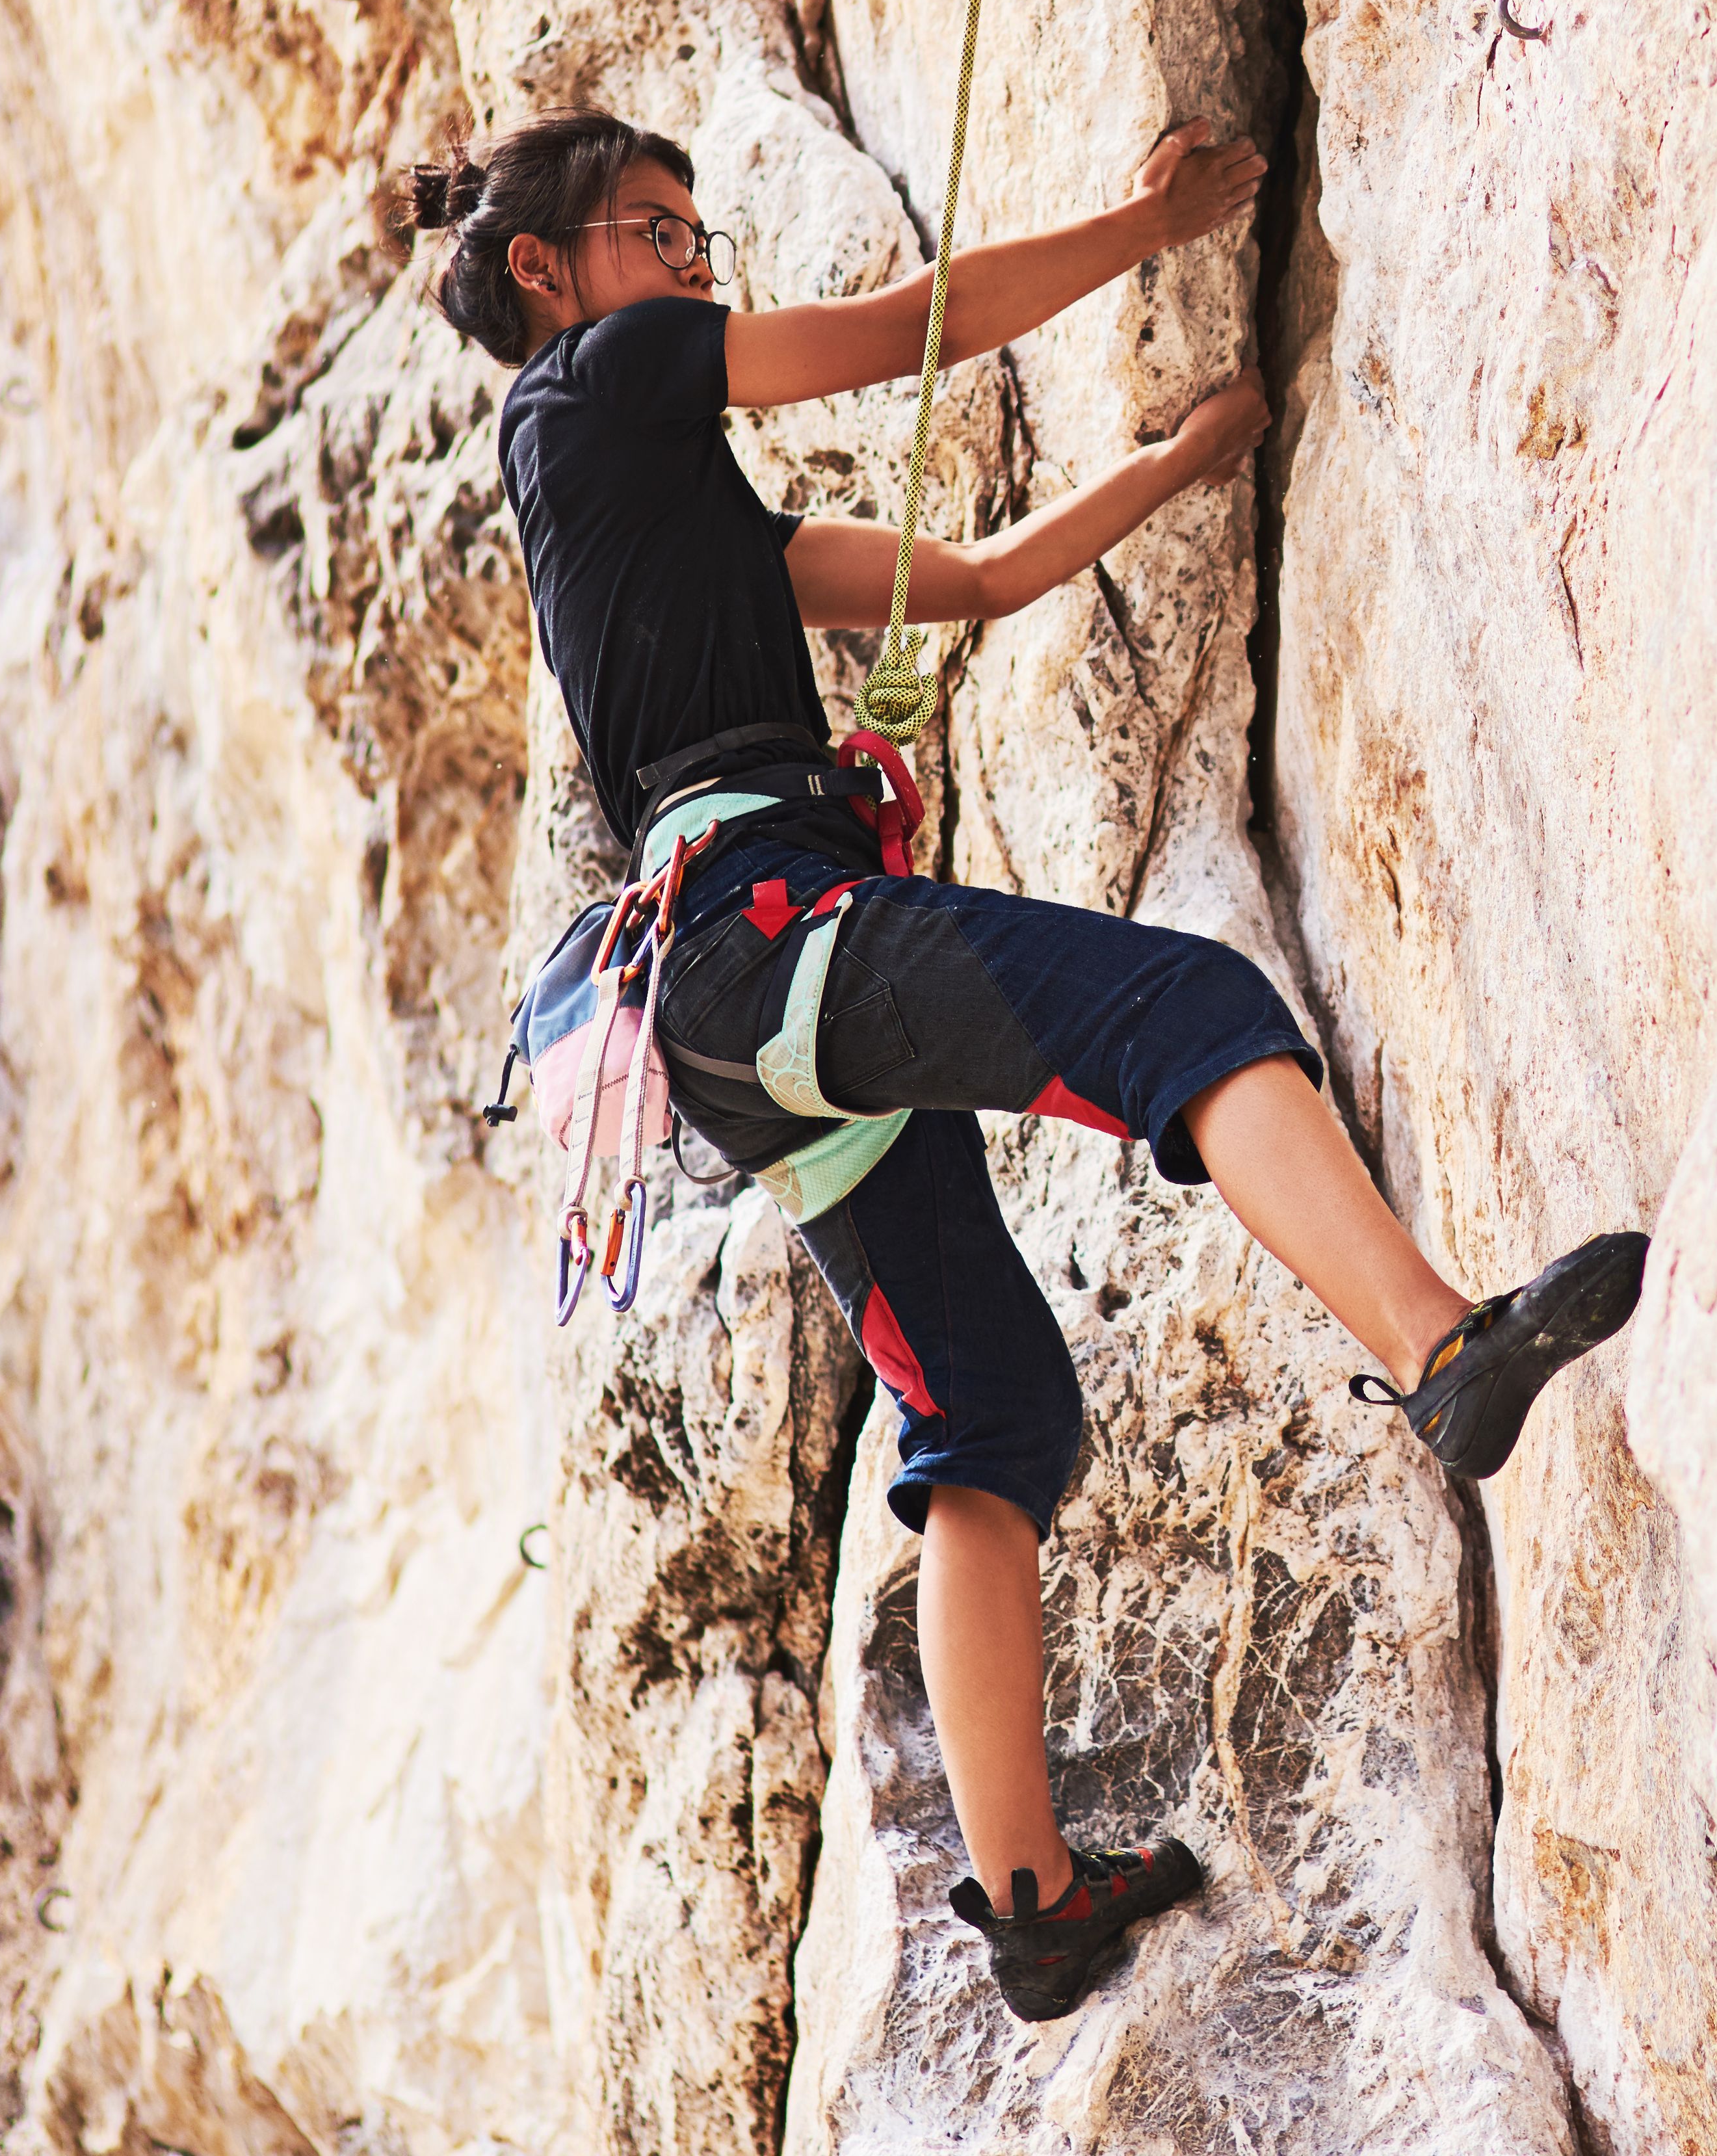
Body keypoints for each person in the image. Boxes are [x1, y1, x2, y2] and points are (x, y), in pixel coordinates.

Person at [407, 107, 1645, 2022]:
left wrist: (1173, 462)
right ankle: (1438, 1348)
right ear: (545, 273)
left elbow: (971, 584)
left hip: (729, 1015)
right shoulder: (588, 383)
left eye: (700, 238)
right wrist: (1153, 221)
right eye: (657, 233)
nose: (696, 266)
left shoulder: (666, 519)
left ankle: (1034, 1904)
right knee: (1185, 1014)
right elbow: (916, 325)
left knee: (989, 1420)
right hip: (762, 930)